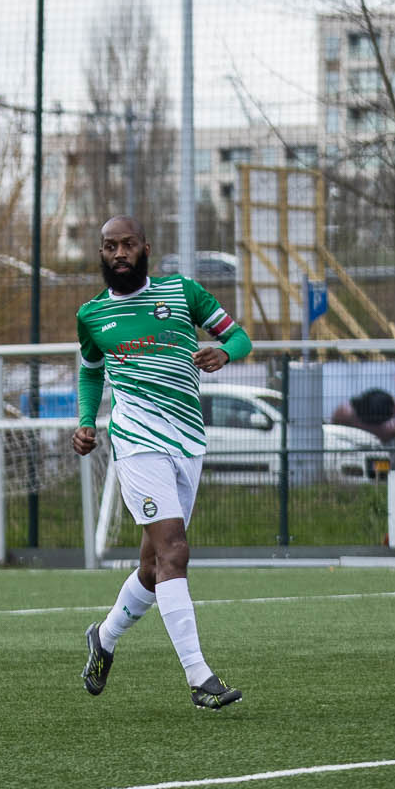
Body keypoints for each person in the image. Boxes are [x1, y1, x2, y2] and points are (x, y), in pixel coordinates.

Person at [74, 215, 251, 710]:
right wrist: (86, 421)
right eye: (110, 246)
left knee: (154, 568)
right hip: (136, 442)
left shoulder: (182, 292)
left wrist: (224, 353)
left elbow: (239, 337)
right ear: (102, 253)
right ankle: (200, 678)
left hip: (188, 440)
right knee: (175, 551)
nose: (119, 253)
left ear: (146, 248)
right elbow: (90, 373)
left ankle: (104, 638)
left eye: (128, 244)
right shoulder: (92, 315)